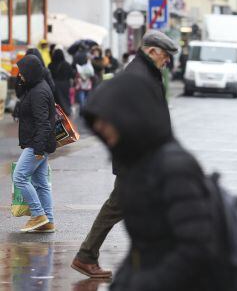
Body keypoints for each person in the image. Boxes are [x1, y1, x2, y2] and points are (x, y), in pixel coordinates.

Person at [80, 73, 225, 290]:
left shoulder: (174, 168)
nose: (100, 128)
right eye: (96, 124)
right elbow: (144, 247)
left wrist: (146, 283)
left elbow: (197, 249)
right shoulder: (134, 167)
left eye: (105, 121)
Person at [71, 30, 179, 278]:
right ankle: (87, 256)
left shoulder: (146, 72)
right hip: (137, 159)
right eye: (165, 56)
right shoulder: (138, 76)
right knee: (119, 206)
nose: (167, 61)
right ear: (152, 52)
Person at [12, 55, 56, 233]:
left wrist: (38, 148)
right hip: (40, 142)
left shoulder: (38, 92)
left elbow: (43, 123)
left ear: (30, 72)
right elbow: (20, 92)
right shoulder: (36, 86)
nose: (20, 75)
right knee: (40, 182)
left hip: (37, 143)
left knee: (19, 177)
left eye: (22, 72)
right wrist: (21, 80)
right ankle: (48, 221)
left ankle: (38, 215)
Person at [49, 49, 76, 116]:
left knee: (56, 100)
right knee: (65, 99)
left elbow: (49, 75)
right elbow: (72, 75)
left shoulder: (51, 65)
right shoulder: (66, 64)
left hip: (54, 85)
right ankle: (66, 112)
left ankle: (57, 113)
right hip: (65, 85)